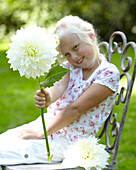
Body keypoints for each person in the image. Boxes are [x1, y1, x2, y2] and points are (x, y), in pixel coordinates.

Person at [0, 15, 120, 166]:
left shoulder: (108, 74)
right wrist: (47, 97)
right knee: (3, 141)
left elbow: (75, 109)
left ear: (91, 36)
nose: (74, 57)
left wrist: (42, 133)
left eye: (76, 47)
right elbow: (58, 87)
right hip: (48, 128)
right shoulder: (70, 68)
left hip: (69, 141)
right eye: (67, 54)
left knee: (4, 153)